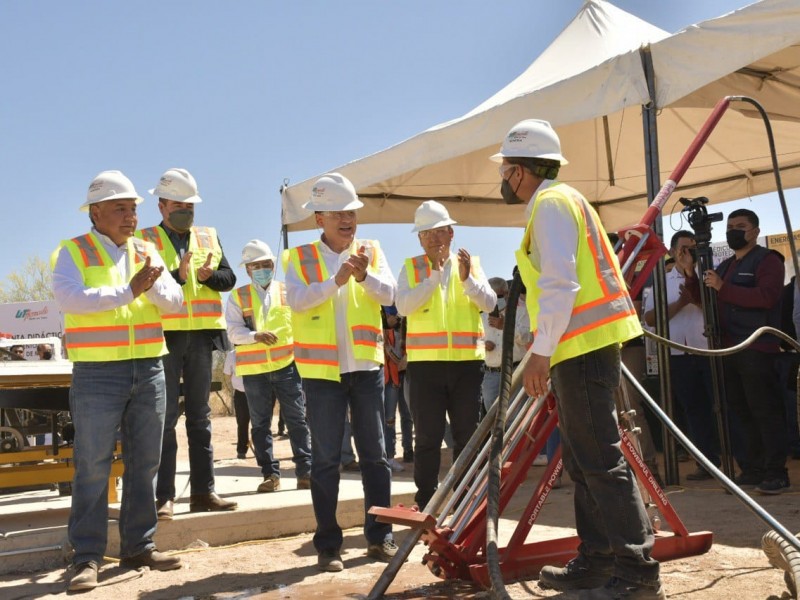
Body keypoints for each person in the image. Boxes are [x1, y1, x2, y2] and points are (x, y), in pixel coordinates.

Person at [494, 120, 664, 599]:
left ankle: (637, 573)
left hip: (580, 346)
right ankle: (598, 559)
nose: (503, 178)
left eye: (505, 169)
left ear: (521, 171)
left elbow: (560, 283)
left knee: (600, 461)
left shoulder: (550, 204)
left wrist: (539, 352)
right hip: (580, 345)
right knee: (585, 461)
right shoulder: (560, 201)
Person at [53, 170, 184, 591]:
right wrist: (128, 292)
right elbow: (70, 298)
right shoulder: (72, 251)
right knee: (92, 465)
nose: (130, 217)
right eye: (120, 209)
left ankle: (138, 546)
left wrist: (153, 286)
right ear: (96, 212)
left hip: (149, 366)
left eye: (132, 209)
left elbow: (177, 303)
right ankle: (87, 556)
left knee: (146, 460)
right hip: (97, 372)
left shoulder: (147, 250)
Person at [284, 172, 397, 572]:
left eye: (352, 212)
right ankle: (328, 544)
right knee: (326, 460)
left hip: (366, 368)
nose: (348, 220)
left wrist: (365, 276)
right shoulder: (298, 258)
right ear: (319, 220)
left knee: (375, 457)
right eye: (338, 214)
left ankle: (380, 534)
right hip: (321, 375)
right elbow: (296, 301)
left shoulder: (371, 250)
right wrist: (337, 281)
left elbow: (390, 295)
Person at [136, 168, 237, 519]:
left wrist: (210, 278)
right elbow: (142, 285)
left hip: (202, 336)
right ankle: (165, 496)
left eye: (190, 205)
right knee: (163, 420)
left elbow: (229, 278)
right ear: (161, 206)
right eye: (179, 204)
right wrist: (176, 277)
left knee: (200, 417)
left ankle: (203, 492)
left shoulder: (208, 237)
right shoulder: (143, 239)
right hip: (163, 338)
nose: (186, 211)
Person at [396, 200, 496, 509]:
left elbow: (490, 303)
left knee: (467, 435)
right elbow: (403, 307)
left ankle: (465, 499)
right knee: (427, 438)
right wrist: (433, 279)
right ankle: (426, 500)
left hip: (467, 365)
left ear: (451, 233)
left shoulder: (470, 265)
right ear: (419, 239)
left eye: (440, 232)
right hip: (426, 367)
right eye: (427, 234)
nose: (435, 239)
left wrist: (466, 279)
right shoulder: (411, 268)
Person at [701, 209, 789, 494]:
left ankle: (776, 472)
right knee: (739, 410)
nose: (733, 231)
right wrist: (692, 274)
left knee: (765, 410)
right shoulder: (726, 265)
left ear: (754, 231)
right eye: (730, 227)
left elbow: (767, 297)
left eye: (740, 226)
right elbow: (708, 300)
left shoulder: (769, 260)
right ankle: (751, 468)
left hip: (757, 347)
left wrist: (723, 288)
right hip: (728, 349)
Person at [226, 239, 312, 493]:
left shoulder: (288, 291)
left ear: (273, 265)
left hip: (287, 366)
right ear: (247, 269)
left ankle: (305, 471)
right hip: (255, 372)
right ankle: (270, 474)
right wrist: (255, 336)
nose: (261, 269)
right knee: (261, 425)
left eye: (265, 264)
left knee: (297, 420)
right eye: (255, 265)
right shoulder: (238, 296)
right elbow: (232, 331)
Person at [643, 231, 719, 480]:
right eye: (684, 248)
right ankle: (706, 462)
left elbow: (717, 309)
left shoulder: (708, 276)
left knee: (719, 406)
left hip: (709, 349)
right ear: (674, 252)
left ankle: (734, 460)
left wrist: (694, 293)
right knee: (693, 409)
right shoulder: (662, 281)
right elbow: (650, 319)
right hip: (677, 353)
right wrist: (680, 304)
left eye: (693, 248)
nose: (689, 253)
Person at [381, 304, 409, 472]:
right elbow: (386, 348)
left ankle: (409, 451)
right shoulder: (383, 329)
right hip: (390, 377)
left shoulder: (404, 326)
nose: (394, 318)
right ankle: (389, 456)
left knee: (408, 416)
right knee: (389, 419)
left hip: (404, 375)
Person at [481, 277, 509, 415]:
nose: (496, 299)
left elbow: (528, 338)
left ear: (506, 293)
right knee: (492, 419)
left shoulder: (519, 314)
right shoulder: (480, 318)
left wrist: (506, 327)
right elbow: (470, 342)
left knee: (513, 418)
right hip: (490, 375)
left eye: (498, 296)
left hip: (513, 372)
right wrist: (482, 345)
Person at [223, 349, 250, 459]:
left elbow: (227, 375)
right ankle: (242, 450)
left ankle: (262, 451)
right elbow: (227, 373)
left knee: (260, 423)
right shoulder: (232, 354)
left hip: (257, 393)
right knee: (242, 423)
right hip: (241, 393)